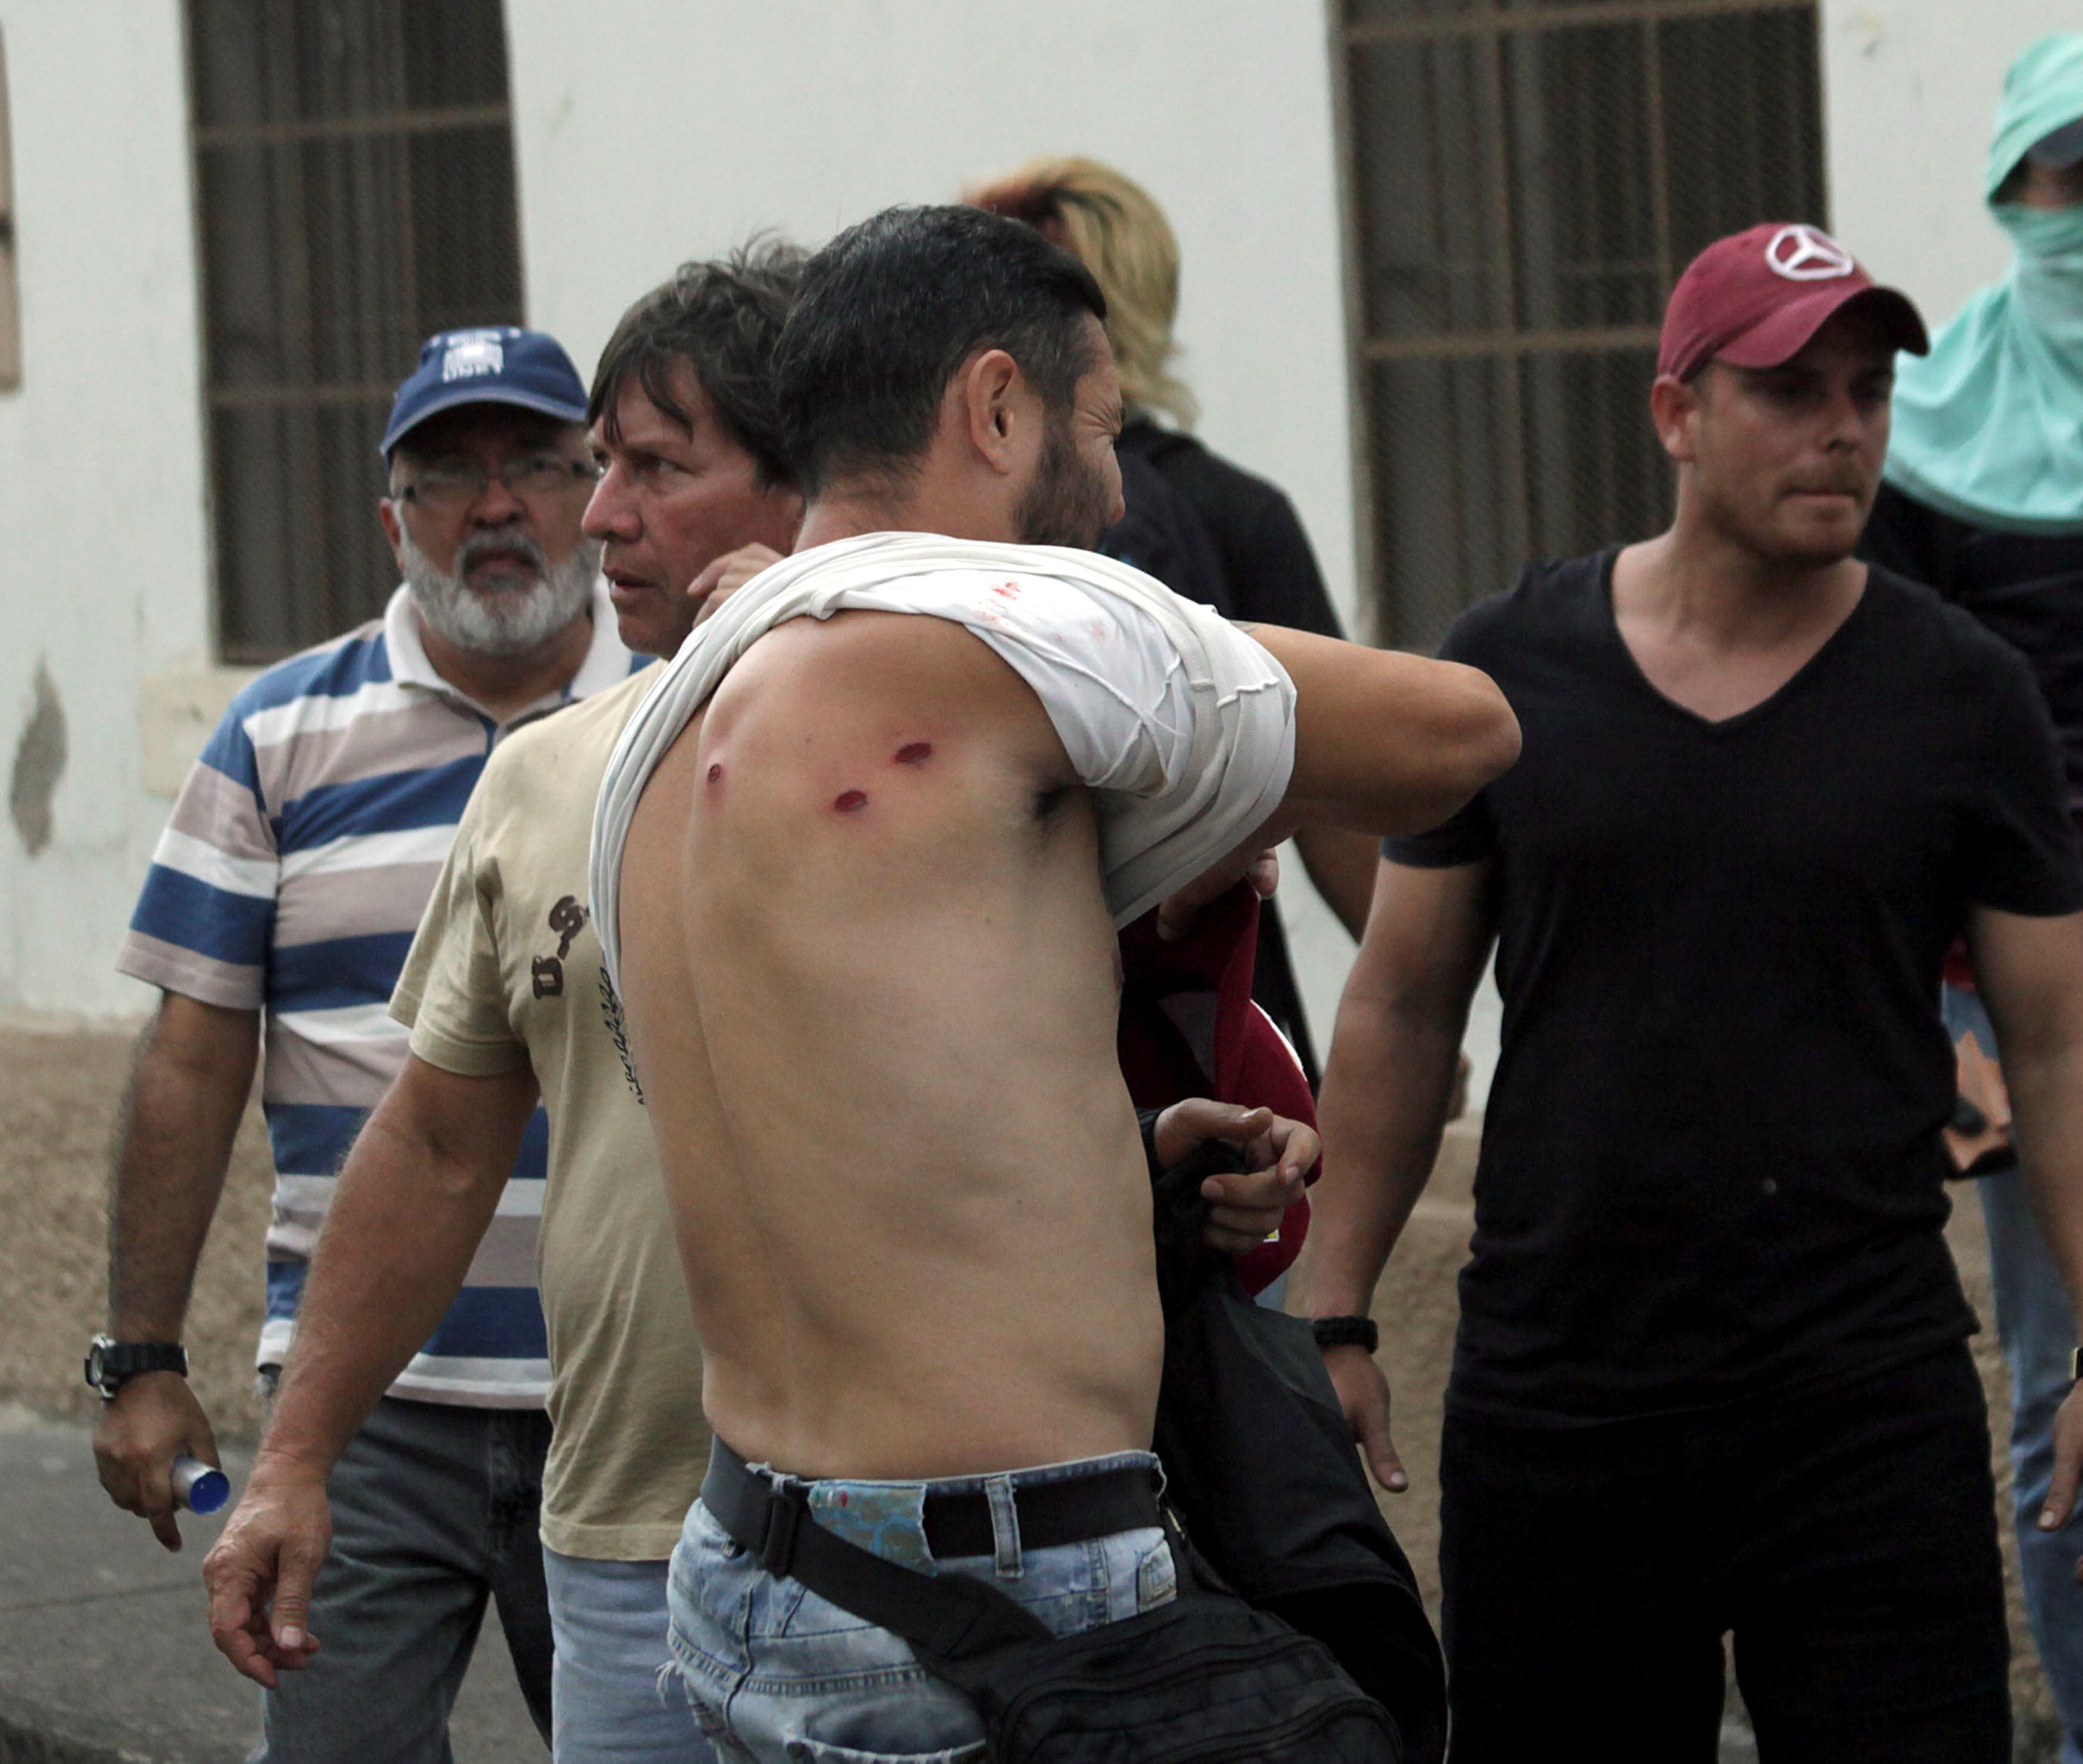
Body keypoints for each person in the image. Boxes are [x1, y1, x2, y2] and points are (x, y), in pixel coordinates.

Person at [585, 204, 1519, 1761]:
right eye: (1103, 427)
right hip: (992, 1584)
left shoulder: (672, 717)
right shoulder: (1007, 624)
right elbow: (1461, 732)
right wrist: (1149, 634)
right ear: (997, 405)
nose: (1117, 483)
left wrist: (1110, 1170)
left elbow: (828, 1118)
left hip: (758, 1555)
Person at [1305, 221, 2083, 1761]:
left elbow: (2058, 1037)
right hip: (1564, 1403)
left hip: (1859, 1404)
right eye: (1788, 389)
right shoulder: (1510, 668)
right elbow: (1400, 1007)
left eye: (1866, 390)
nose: (1841, 426)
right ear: (1676, 415)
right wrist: (1333, 1309)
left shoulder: (1962, 691)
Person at [194, 251, 804, 1764]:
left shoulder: (954, 699)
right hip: (513, 1461)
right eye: (452, 472)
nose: (542, 509)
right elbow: (408, 1126)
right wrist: (234, 1418)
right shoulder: (347, 743)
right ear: (386, 511)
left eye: (572, 462)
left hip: (833, 1486)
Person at [96, 325, 631, 1756]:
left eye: (534, 462)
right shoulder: (281, 734)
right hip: (361, 1420)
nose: (497, 506)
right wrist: (139, 1354)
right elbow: (193, 1059)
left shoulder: (685, 711)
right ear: (392, 520)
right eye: (449, 476)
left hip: (636, 1405)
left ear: (601, 485)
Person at [1856, 36, 2083, 1762]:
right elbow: (1903, 738)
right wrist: (1947, 1020)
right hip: (2017, 989)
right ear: (2012, 191)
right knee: (2067, 1392)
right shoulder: (1922, 427)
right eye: (2075, 170)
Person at [971, 155, 1380, 1081]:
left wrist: (1403, 1008)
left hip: (1181, 1028)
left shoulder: (1164, 516)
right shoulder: (974, 522)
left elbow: (1331, 791)